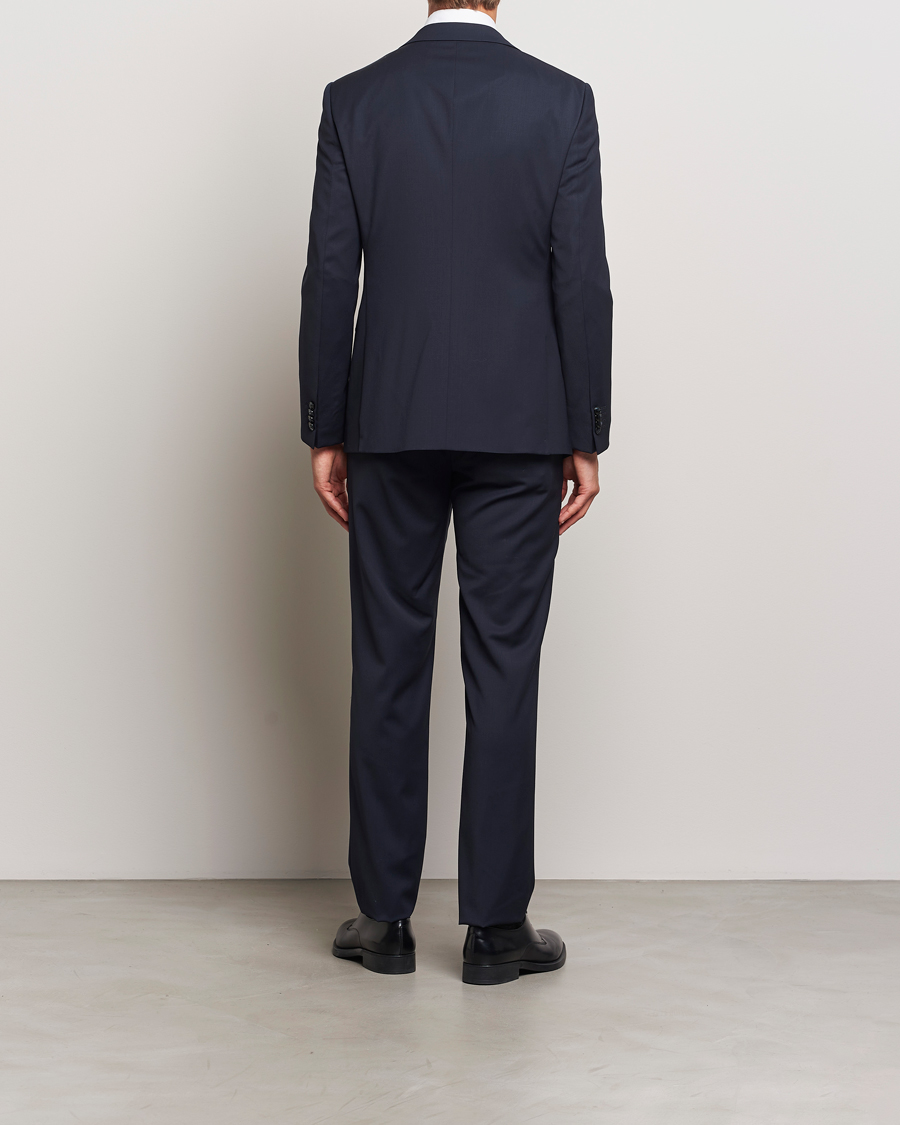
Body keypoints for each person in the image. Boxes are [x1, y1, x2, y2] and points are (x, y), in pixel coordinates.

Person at [298, 0, 612, 986]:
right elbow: (581, 278)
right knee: (504, 667)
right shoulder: (560, 103)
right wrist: (586, 432)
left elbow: (330, 275)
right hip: (520, 425)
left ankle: (384, 920)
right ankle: (495, 930)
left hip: (389, 419)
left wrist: (326, 426)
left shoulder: (356, 101)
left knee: (387, 659)